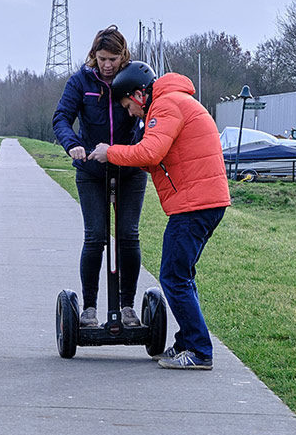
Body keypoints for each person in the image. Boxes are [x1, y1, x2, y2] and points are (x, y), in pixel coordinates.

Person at [89, 62, 231, 370]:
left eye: (128, 105)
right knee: (182, 275)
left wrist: (109, 152)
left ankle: (199, 351)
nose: (130, 113)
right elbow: (159, 157)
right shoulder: (176, 101)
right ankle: (186, 343)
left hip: (194, 204)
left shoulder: (165, 105)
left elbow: (150, 153)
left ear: (139, 94)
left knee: (173, 276)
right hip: (203, 200)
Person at [52, 25, 148, 329]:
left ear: (124, 56)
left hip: (129, 169)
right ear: (94, 55)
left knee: (128, 236)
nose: (108, 65)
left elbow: (151, 114)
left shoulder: (132, 80)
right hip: (91, 169)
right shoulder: (81, 81)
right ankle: (90, 308)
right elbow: (61, 118)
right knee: (95, 237)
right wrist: (73, 144)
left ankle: (128, 306)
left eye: (114, 59)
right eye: (102, 58)